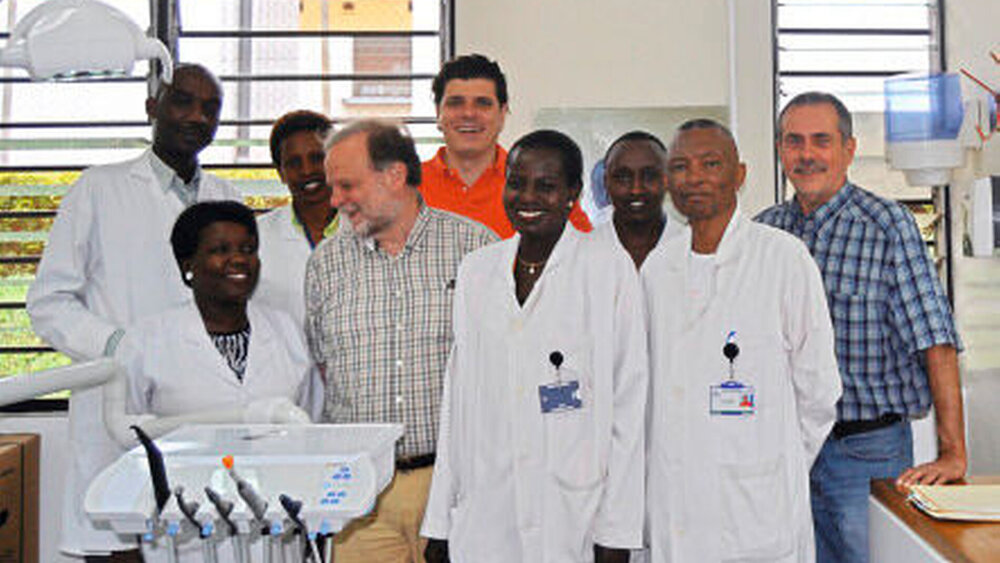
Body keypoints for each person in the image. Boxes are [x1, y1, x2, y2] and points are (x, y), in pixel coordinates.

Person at [26, 63, 239, 561]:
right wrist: (121, 348)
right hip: (117, 409)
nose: (197, 116)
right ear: (152, 108)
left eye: (210, 108)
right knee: (119, 543)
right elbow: (49, 302)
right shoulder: (98, 189)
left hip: (203, 410)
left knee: (202, 540)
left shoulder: (226, 197)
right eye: (183, 101)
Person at [756, 92, 965, 563]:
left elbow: (936, 340)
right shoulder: (764, 234)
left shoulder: (888, 226)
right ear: (780, 149)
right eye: (794, 141)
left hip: (868, 454)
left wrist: (953, 454)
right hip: (785, 453)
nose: (806, 154)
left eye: (821, 140)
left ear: (849, 149)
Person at [421, 130, 647, 563]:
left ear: (572, 194)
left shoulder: (607, 268)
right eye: (517, 182)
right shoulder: (477, 271)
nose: (527, 197)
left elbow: (628, 406)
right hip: (488, 508)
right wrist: (440, 522)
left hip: (574, 510)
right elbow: (459, 401)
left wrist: (616, 531)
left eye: (546, 186)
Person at [643, 119, 841, 562]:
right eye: (681, 167)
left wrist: (774, 461)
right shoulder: (658, 268)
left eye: (710, 164)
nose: (694, 177)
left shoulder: (783, 258)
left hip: (758, 503)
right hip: (676, 501)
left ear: (740, 175)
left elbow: (818, 390)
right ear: (668, 181)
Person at [305, 119, 496, 562]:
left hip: (455, 487)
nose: (334, 200)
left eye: (347, 185)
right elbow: (323, 366)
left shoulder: (477, 249)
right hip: (358, 496)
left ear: (394, 175)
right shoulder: (324, 264)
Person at [116, 201, 318, 562]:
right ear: (188, 265)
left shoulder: (286, 330)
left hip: (275, 530)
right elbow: (126, 441)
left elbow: (310, 425)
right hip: (184, 533)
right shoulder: (147, 340)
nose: (238, 259)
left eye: (247, 249)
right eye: (220, 250)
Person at [420, 53, 591, 237]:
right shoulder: (407, 186)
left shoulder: (543, 185)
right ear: (438, 112)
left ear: (502, 114)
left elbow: (585, 249)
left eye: (483, 103)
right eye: (456, 103)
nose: (469, 113)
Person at [255, 110, 339, 328]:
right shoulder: (256, 238)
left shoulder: (374, 231)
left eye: (317, 158)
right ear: (280, 173)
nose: (307, 170)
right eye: (293, 163)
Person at [593, 130, 672, 271]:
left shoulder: (695, 249)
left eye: (649, 176)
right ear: (606, 182)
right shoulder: (578, 254)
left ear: (668, 180)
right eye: (623, 177)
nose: (636, 190)